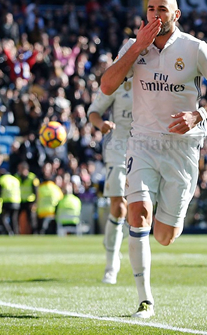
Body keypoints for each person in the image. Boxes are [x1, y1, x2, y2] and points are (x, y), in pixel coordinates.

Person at [100, 0, 207, 318]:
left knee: (164, 236)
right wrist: (135, 48)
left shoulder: (195, 49)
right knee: (138, 216)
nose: (155, 14)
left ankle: (171, 220)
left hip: (182, 148)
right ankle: (144, 300)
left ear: (176, 15)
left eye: (162, 9)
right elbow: (106, 86)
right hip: (143, 142)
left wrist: (200, 114)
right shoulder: (134, 47)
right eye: (150, 9)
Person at [87, 75, 133, 285]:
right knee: (119, 206)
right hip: (118, 148)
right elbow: (93, 112)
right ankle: (111, 265)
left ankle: (112, 239)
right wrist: (101, 123)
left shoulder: (157, 76)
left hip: (149, 149)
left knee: (140, 210)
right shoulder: (118, 80)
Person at [0, 168, 21, 235]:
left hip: (7, 201)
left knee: (2, 218)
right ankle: (16, 233)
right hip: (17, 201)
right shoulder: (15, 179)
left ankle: (8, 232)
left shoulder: (2, 179)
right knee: (14, 219)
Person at [15, 161, 39, 234]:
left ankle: (34, 233)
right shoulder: (16, 177)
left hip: (30, 201)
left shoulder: (32, 178)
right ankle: (16, 233)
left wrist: (35, 203)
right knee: (16, 218)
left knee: (32, 219)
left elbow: (36, 192)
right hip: (19, 201)